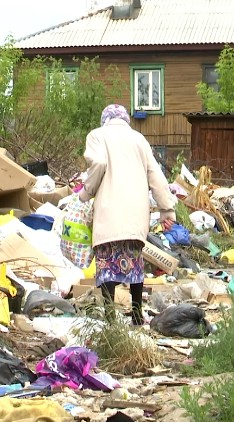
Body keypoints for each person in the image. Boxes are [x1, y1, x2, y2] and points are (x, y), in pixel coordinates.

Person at [78, 104, 177, 325]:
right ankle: (136, 315)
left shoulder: (97, 135)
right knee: (134, 264)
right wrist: (166, 209)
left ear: (105, 119)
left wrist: (86, 192)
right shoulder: (139, 139)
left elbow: (99, 163)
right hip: (135, 214)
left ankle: (110, 318)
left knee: (107, 264)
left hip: (109, 212)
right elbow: (156, 175)